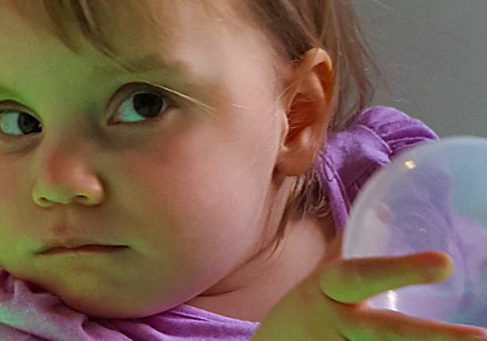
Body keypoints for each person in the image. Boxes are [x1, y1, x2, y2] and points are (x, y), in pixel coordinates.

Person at [0, 0, 485, 340]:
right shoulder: (29, 325)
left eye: (142, 105)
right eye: (17, 121)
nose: (58, 183)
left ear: (295, 117)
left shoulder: (385, 189)